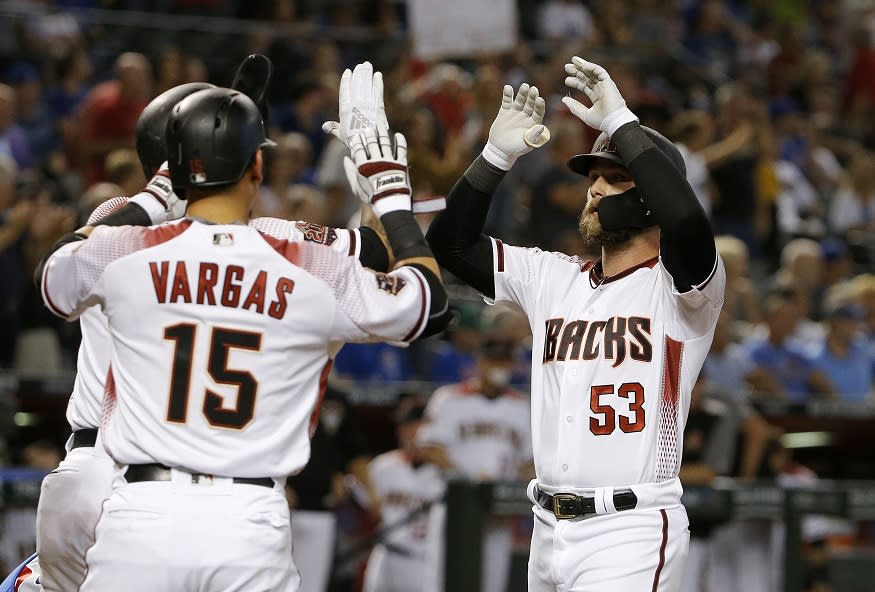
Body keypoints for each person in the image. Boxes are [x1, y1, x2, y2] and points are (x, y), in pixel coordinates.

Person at [38, 82, 449, 590]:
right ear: (258, 167)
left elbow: (55, 269)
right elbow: (425, 299)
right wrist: (387, 197)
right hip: (245, 514)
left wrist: (151, 199)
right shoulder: (302, 258)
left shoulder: (123, 244)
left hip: (131, 498)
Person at [426, 57, 726, 591]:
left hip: (630, 528)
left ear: (650, 197)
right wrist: (495, 157)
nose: (594, 189)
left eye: (614, 178)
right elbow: (449, 244)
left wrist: (621, 122)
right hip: (546, 527)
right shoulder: (553, 277)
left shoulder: (683, 291)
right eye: (593, 178)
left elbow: (684, 219)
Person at [417, 327, 533, 592]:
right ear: (479, 361)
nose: (498, 366)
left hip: (497, 509)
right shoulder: (449, 399)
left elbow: (529, 460)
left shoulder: (521, 405)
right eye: (493, 360)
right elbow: (431, 448)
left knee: (492, 582)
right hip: (456, 504)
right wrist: (468, 477)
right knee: (444, 580)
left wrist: (513, 481)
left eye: (504, 361)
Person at [361, 399, 446, 592]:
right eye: (404, 427)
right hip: (386, 554)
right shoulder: (382, 466)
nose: (406, 433)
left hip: (423, 560)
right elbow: (368, 507)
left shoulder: (444, 473)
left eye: (413, 427)